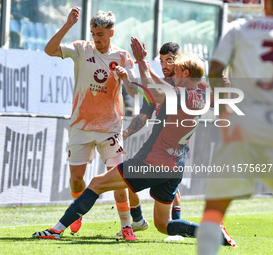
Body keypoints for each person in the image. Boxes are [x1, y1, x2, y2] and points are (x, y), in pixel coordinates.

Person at [32, 37, 235, 246]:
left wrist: (140, 61)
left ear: (185, 74)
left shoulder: (179, 94)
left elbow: (152, 89)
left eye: (176, 71)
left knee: (96, 183)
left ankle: (56, 230)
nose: (171, 73)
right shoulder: (202, 93)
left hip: (153, 161)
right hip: (176, 165)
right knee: (163, 224)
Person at [43, 7, 138, 239]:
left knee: (117, 179)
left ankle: (126, 226)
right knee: (77, 179)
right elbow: (49, 50)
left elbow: (136, 92)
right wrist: (67, 25)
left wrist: (126, 78)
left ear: (111, 33)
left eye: (101, 35)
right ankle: (76, 213)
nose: (96, 39)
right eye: (93, 33)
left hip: (111, 127)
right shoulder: (81, 49)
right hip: (80, 126)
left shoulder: (123, 57)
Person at [196, 0, 273, 254]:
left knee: (215, 209)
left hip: (243, 124)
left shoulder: (238, 27)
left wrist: (223, 108)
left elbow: (216, 68)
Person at [117, 42, 181, 238]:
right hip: (157, 145)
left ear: (178, 60)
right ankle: (138, 220)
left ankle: (175, 228)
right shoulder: (159, 85)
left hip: (174, 147)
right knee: (128, 178)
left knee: (171, 187)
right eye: (161, 61)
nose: (164, 65)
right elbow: (144, 114)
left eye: (169, 60)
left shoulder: (184, 85)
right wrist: (125, 133)